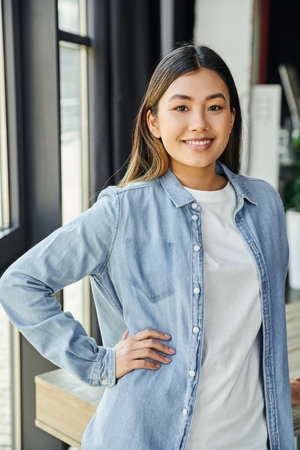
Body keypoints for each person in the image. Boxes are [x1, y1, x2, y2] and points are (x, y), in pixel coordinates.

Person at [0, 43, 295, 449]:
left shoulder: (265, 205)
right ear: (153, 121)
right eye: (181, 107)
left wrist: (275, 383)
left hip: (251, 438)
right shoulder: (123, 210)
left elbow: (253, 328)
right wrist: (100, 362)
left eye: (214, 107)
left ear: (231, 118)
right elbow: (20, 282)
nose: (199, 124)